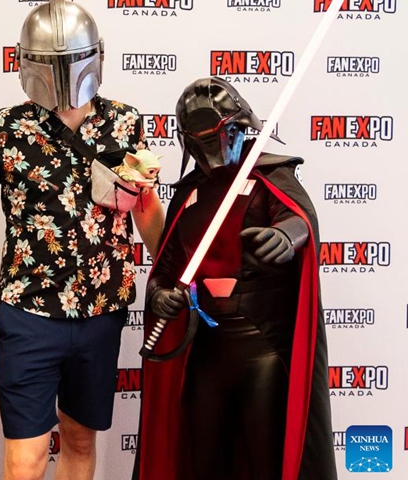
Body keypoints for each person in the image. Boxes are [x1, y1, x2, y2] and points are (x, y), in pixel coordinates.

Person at [0, 1, 165, 479]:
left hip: (102, 309)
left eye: (71, 61)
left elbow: (145, 207)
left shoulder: (125, 123)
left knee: (79, 440)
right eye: (49, 64)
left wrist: (174, 264)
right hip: (29, 312)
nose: (62, 76)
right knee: (27, 455)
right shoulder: (7, 128)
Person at [133, 77, 336, 480]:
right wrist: (159, 297)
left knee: (265, 460)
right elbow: (166, 267)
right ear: (187, 142)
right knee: (204, 461)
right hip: (206, 354)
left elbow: (302, 220)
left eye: (219, 135)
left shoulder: (270, 175)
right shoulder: (190, 193)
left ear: (239, 127)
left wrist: (286, 235)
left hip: (263, 351)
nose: (212, 152)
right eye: (200, 140)